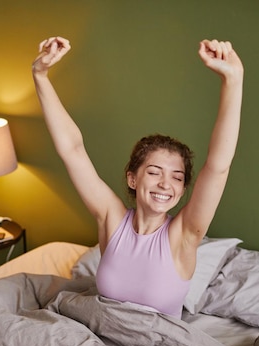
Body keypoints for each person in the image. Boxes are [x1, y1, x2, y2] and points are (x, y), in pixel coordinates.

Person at [32, 36, 243, 319]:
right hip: (101, 341)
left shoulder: (184, 235)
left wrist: (234, 80)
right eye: (154, 172)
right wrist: (40, 75)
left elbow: (218, 166)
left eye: (177, 178)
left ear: (182, 191)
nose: (165, 184)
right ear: (133, 179)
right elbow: (72, 150)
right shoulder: (111, 219)